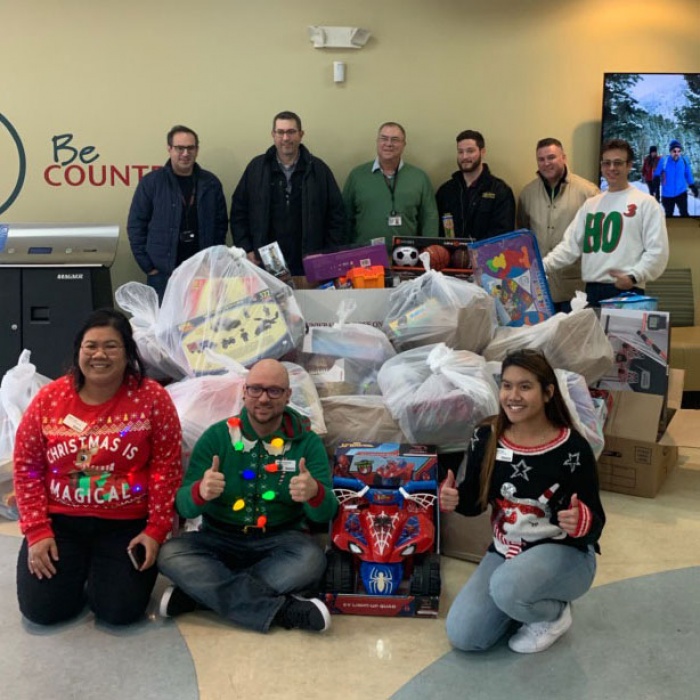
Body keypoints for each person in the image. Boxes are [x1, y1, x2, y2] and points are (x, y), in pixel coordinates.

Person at [13, 308, 182, 626]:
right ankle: (81, 569)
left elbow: (166, 468)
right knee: (42, 611)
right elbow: (27, 467)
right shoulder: (50, 398)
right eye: (90, 346)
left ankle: (98, 572)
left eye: (111, 346)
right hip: (61, 521)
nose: (99, 354)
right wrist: (37, 531)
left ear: (128, 352)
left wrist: (155, 530)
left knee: (119, 612)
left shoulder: (152, 398)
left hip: (126, 524)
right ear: (78, 351)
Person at [441, 349, 605, 654]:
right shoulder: (486, 436)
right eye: (506, 385)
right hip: (506, 553)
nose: (513, 395)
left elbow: (595, 524)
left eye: (525, 386)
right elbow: (474, 502)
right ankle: (520, 600)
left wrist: (581, 521)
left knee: (507, 587)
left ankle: (554, 613)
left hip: (565, 555)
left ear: (547, 393)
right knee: (464, 635)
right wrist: (455, 499)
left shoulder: (573, 448)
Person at [157, 359, 337, 633]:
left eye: (274, 391)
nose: (263, 398)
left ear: (288, 395)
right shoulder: (216, 437)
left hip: (281, 541)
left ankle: (202, 595)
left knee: (312, 560)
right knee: (170, 553)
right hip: (219, 538)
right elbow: (183, 506)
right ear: (244, 392)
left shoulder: (307, 442)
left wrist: (314, 494)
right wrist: (199, 492)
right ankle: (283, 610)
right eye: (256, 389)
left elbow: (326, 514)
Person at [543, 138, 669, 307]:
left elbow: (658, 252)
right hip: (592, 292)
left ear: (629, 165)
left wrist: (634, 277)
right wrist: (541, 267)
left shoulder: (646, 203)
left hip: (628, 293)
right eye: (606, 163)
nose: (611, 168)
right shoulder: (591, 205)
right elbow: (569, 247)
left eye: (618, 163)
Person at [230, 111, 347, 276]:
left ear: (301, 134)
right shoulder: (256, 169)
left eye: (291, 132)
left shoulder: (319, 170)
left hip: (308, 263)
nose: (286, 138)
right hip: (265, 264)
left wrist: (328, 254)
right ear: (273, 134)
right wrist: (247, 249)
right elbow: (238, 212)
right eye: (280, 132)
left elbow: (336, 216)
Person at [127, 125, 228, 302]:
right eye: (179, 148)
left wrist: (212, 261)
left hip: (202, 272)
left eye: (190, 148)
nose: (185, 153)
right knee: (165, 327)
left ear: (197, 150)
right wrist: (149, 267)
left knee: (200, 325)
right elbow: (136, 226)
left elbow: (221, 225)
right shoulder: (152, 183)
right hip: (163, 274)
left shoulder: (210, 183)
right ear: (169, 149)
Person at [517, 138, 599, 311]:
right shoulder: (527, 194)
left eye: (551, 157)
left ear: (564, 158)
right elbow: (523, 236)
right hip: (538, 288)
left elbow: (597, 242)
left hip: (574, 289)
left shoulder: (589, 193)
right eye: (541, 159)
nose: (546, 163)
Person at [343, 122, 439, 248]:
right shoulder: (357, 176)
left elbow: (429, 218)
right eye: (384, 138)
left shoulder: (419, 177)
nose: (388, 144)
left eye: (395, 140)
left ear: (404, 144)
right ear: (377, 142)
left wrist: (429, 251)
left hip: (407, 257)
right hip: (366, 257)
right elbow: (344, 217)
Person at [436, 130, 515, 241]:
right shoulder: (445, 191)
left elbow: (503, 234)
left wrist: (474, 251)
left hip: (487, 257)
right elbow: (437, 231)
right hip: (450, 257)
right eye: (460, 152)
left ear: (482, 152)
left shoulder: (500, 191)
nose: (464, 157)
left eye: (470, 151)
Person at [654, 139, 698, 217]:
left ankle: (686, 229)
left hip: (681, 192)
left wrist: (692, 186)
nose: (677, 153)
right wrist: (657, 191)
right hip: (667, 195)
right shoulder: (664, 161)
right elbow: (656, 175)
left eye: (679, 151)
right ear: (670, 151)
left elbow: (688, 174)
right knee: (669, 215)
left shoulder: (684, 160)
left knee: (684, 214)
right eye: (674, 151)